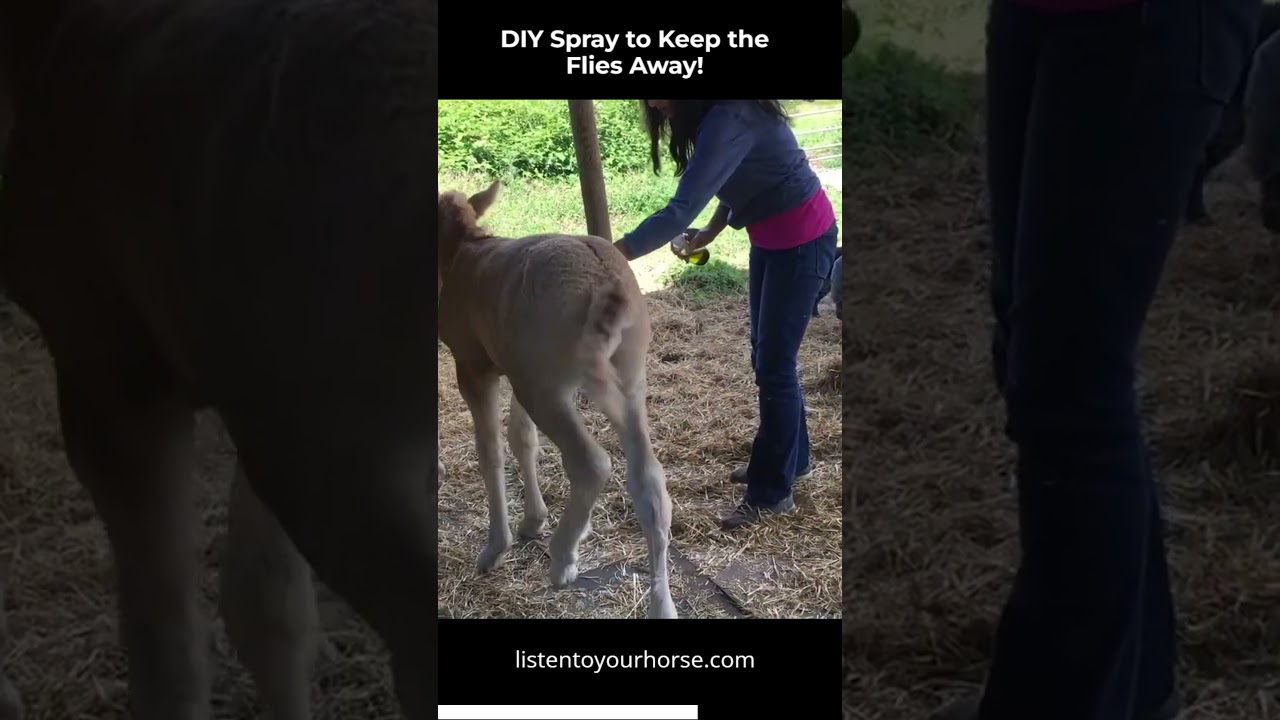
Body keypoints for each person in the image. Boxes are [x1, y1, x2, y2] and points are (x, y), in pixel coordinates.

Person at [929, 1, 1260, 719]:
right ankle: (1130, 688)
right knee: (1036, 356)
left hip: (1144, 20)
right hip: (1037, 14)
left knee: (1068, 378)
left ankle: (1062, 700)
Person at [613, 99, 838, 530]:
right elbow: (737, 178)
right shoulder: (716, 118)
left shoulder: (732, 113)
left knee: (775, 367)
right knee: (767, 358)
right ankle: (794, 460)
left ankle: (771, 492)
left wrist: (610, 253)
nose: (656, 103)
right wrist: (710, 233)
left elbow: (680, 209)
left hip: (804, 241)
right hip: (773, 241)